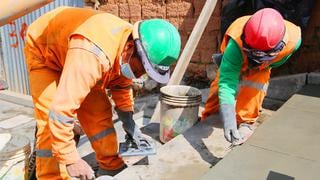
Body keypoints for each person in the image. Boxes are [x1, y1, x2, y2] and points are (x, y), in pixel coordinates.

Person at [24, 6, 181, 179]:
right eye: (142, 68)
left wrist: (130, 124)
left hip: (77, 50)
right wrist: (71, 159)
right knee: (49, 123)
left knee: (99, 112)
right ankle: (51, 177)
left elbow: (121, 86)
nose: (141, 75)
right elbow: (61, 111)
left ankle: (111, 166)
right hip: (44, 51)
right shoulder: (92, 54)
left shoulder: (128, 47)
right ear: (130, 48)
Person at [202, 8, 301, 145]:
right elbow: (227, 83)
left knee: (255, 86)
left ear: (279, 47)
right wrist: (229, 120)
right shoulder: (235, 44)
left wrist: (262, 65)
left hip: (264, 65)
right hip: (238, 56)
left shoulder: (293, 41)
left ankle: (246, 122)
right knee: (219, 88)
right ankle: (210, 116)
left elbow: (279, 60)